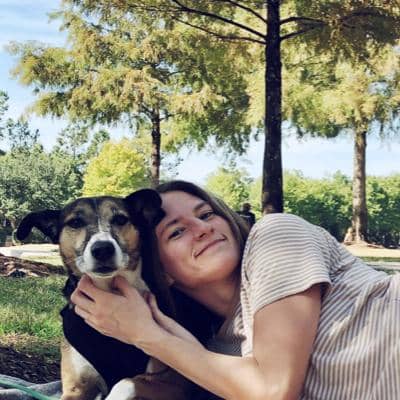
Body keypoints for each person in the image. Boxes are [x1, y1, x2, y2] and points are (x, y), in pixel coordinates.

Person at [71, 180, 400, 399]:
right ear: (163, 271)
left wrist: (143, 332)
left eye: (207, 214)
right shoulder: (223, 351)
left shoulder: (276, 235)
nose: (202, 228)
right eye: (176, 232)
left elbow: (273, 390)